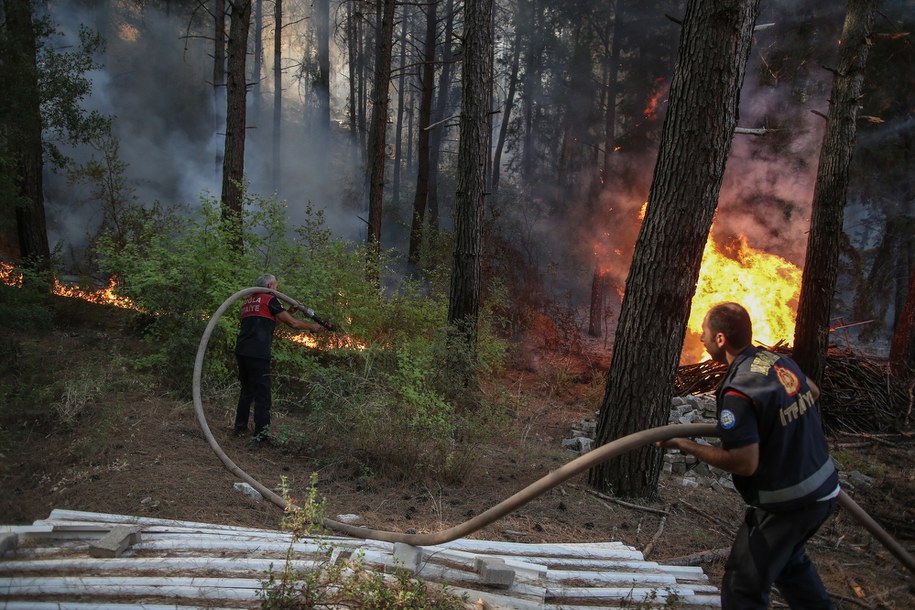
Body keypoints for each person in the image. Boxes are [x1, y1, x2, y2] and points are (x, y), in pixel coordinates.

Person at [658, 302, 839, 609]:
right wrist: (773, 425)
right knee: (790, 565)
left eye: (704, 332)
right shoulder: (776, 360)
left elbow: (744, 463)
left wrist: (686, 445)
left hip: (788, 503)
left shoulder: (737, 392)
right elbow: (812, 391)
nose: (700, 337)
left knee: (742, 585)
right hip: (823, 489)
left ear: (720, 339)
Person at [234, 274, 329, 441]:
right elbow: (293, 324)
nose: (277, 290)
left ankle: (239, 428)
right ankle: (261, 437)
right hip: (258, 353)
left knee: (246, 390)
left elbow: (267, 322)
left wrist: (289, 311)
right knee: (262, 395)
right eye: (276, 286)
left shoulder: (248, 301)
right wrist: (312, 326)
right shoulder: (270, 299)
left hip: (242, 351)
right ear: (269, 286)